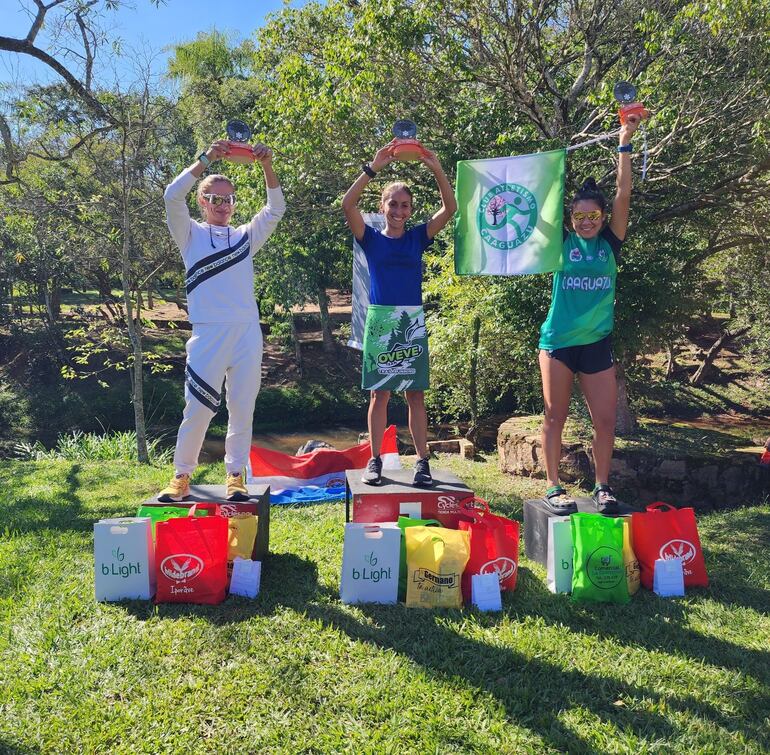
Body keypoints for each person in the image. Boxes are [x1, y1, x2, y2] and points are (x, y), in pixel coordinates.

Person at [158, 139, 285, 502]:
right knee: (197, 410)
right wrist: (206, 159)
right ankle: (182, 475)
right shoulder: (190, 234)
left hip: (246, 333)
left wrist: (266, 164)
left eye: (228, 199)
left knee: (242, 409)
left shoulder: (245, 237)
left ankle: (235, 475)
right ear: (203, 201)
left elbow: (276, 208)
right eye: (214, 198)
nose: (222, 204)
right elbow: (170, 196)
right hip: (207, 334)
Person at [538, 114, 641, 514]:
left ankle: (602, 486)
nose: (584, 222)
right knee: (554, 417)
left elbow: (623, 194)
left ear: (601, 218)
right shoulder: (560, 243)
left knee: (605, 421)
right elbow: (540, 203)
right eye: (578, 217)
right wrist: (551, 168)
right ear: (570, 219)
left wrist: (625, 142)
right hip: (558, 344)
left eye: (592, 217)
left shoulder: (610, 245)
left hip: (597, 344)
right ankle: (552, 486)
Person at [342, 142, 456, 486]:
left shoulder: (418, 237)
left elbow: (450, 208)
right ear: (383, 206)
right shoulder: (371, 238)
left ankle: (423, 462)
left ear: (410, 210)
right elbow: (348, 204)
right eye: (393, 204)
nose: (399, 210)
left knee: (415, 395)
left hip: (411, 321)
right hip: (380, 322)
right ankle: (374, 459)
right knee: (380, 394)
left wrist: (436, 168)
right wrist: (372, 168)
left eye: (405, 205)